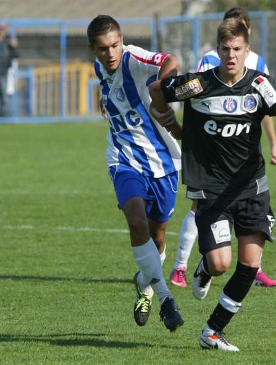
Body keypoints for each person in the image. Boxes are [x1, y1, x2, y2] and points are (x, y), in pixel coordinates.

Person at [149, 17, 276, 351]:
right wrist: (174, 127)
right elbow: (156, 92)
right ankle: (205, 268)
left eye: (237, 49)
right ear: (217, 50)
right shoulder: (198, 85)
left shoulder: (260, 84)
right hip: (211, 189)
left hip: (252, 188)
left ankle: (212, 331)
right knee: (221, 263)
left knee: (249, 265)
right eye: (225, 49)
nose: (231, 55)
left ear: (247, 51)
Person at [170, 7, 276, 289]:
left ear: (247, 38)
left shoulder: (258, 66)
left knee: (246, 214)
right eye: (227, 43)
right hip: (209, 159)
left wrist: (273, 142)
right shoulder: (209, 61)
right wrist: (179, 129)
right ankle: (182, 267)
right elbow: (194, 96)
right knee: (199, 208)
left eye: (239, 38)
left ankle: (250, 269)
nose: (232, 52)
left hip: (242, 155)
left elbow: (264, 107)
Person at [87, 14, 183, 332]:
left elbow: (172, 59)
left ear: (122, 40)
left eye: (115, 45)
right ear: (94, 50)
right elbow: (109, 94)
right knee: (136, 221)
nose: (110, 53)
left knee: (157, 238)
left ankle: (145, 285)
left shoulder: (134, 58)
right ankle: (167, 300)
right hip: (123, 160)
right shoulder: (100, 68)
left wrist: (161, 88)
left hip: (164, 164)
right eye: (103, 48)